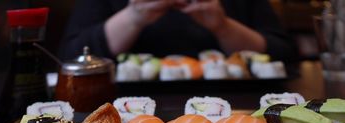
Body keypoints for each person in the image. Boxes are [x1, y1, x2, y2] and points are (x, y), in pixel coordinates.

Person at [59, 0, 296, 61]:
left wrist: (223, 27)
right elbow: (70, 56)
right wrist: (133, 17)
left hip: (236, 104)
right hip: (123, 107)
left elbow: (283, 53)